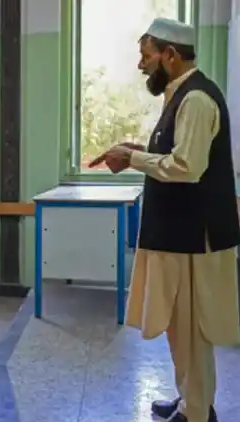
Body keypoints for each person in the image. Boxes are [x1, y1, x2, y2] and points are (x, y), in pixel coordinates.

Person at [89, 18, 239, 422]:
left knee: (192, 330)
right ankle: (190, 400)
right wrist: (136, 148)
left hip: (194, 237)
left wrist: (132, 158)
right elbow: (174, 152)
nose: (141, 66)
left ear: (170, 55)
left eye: (146, 56)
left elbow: (187, 166)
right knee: (179, 326)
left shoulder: (196, 100)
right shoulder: (180, 96)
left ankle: (197, 414)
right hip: (180, 235)